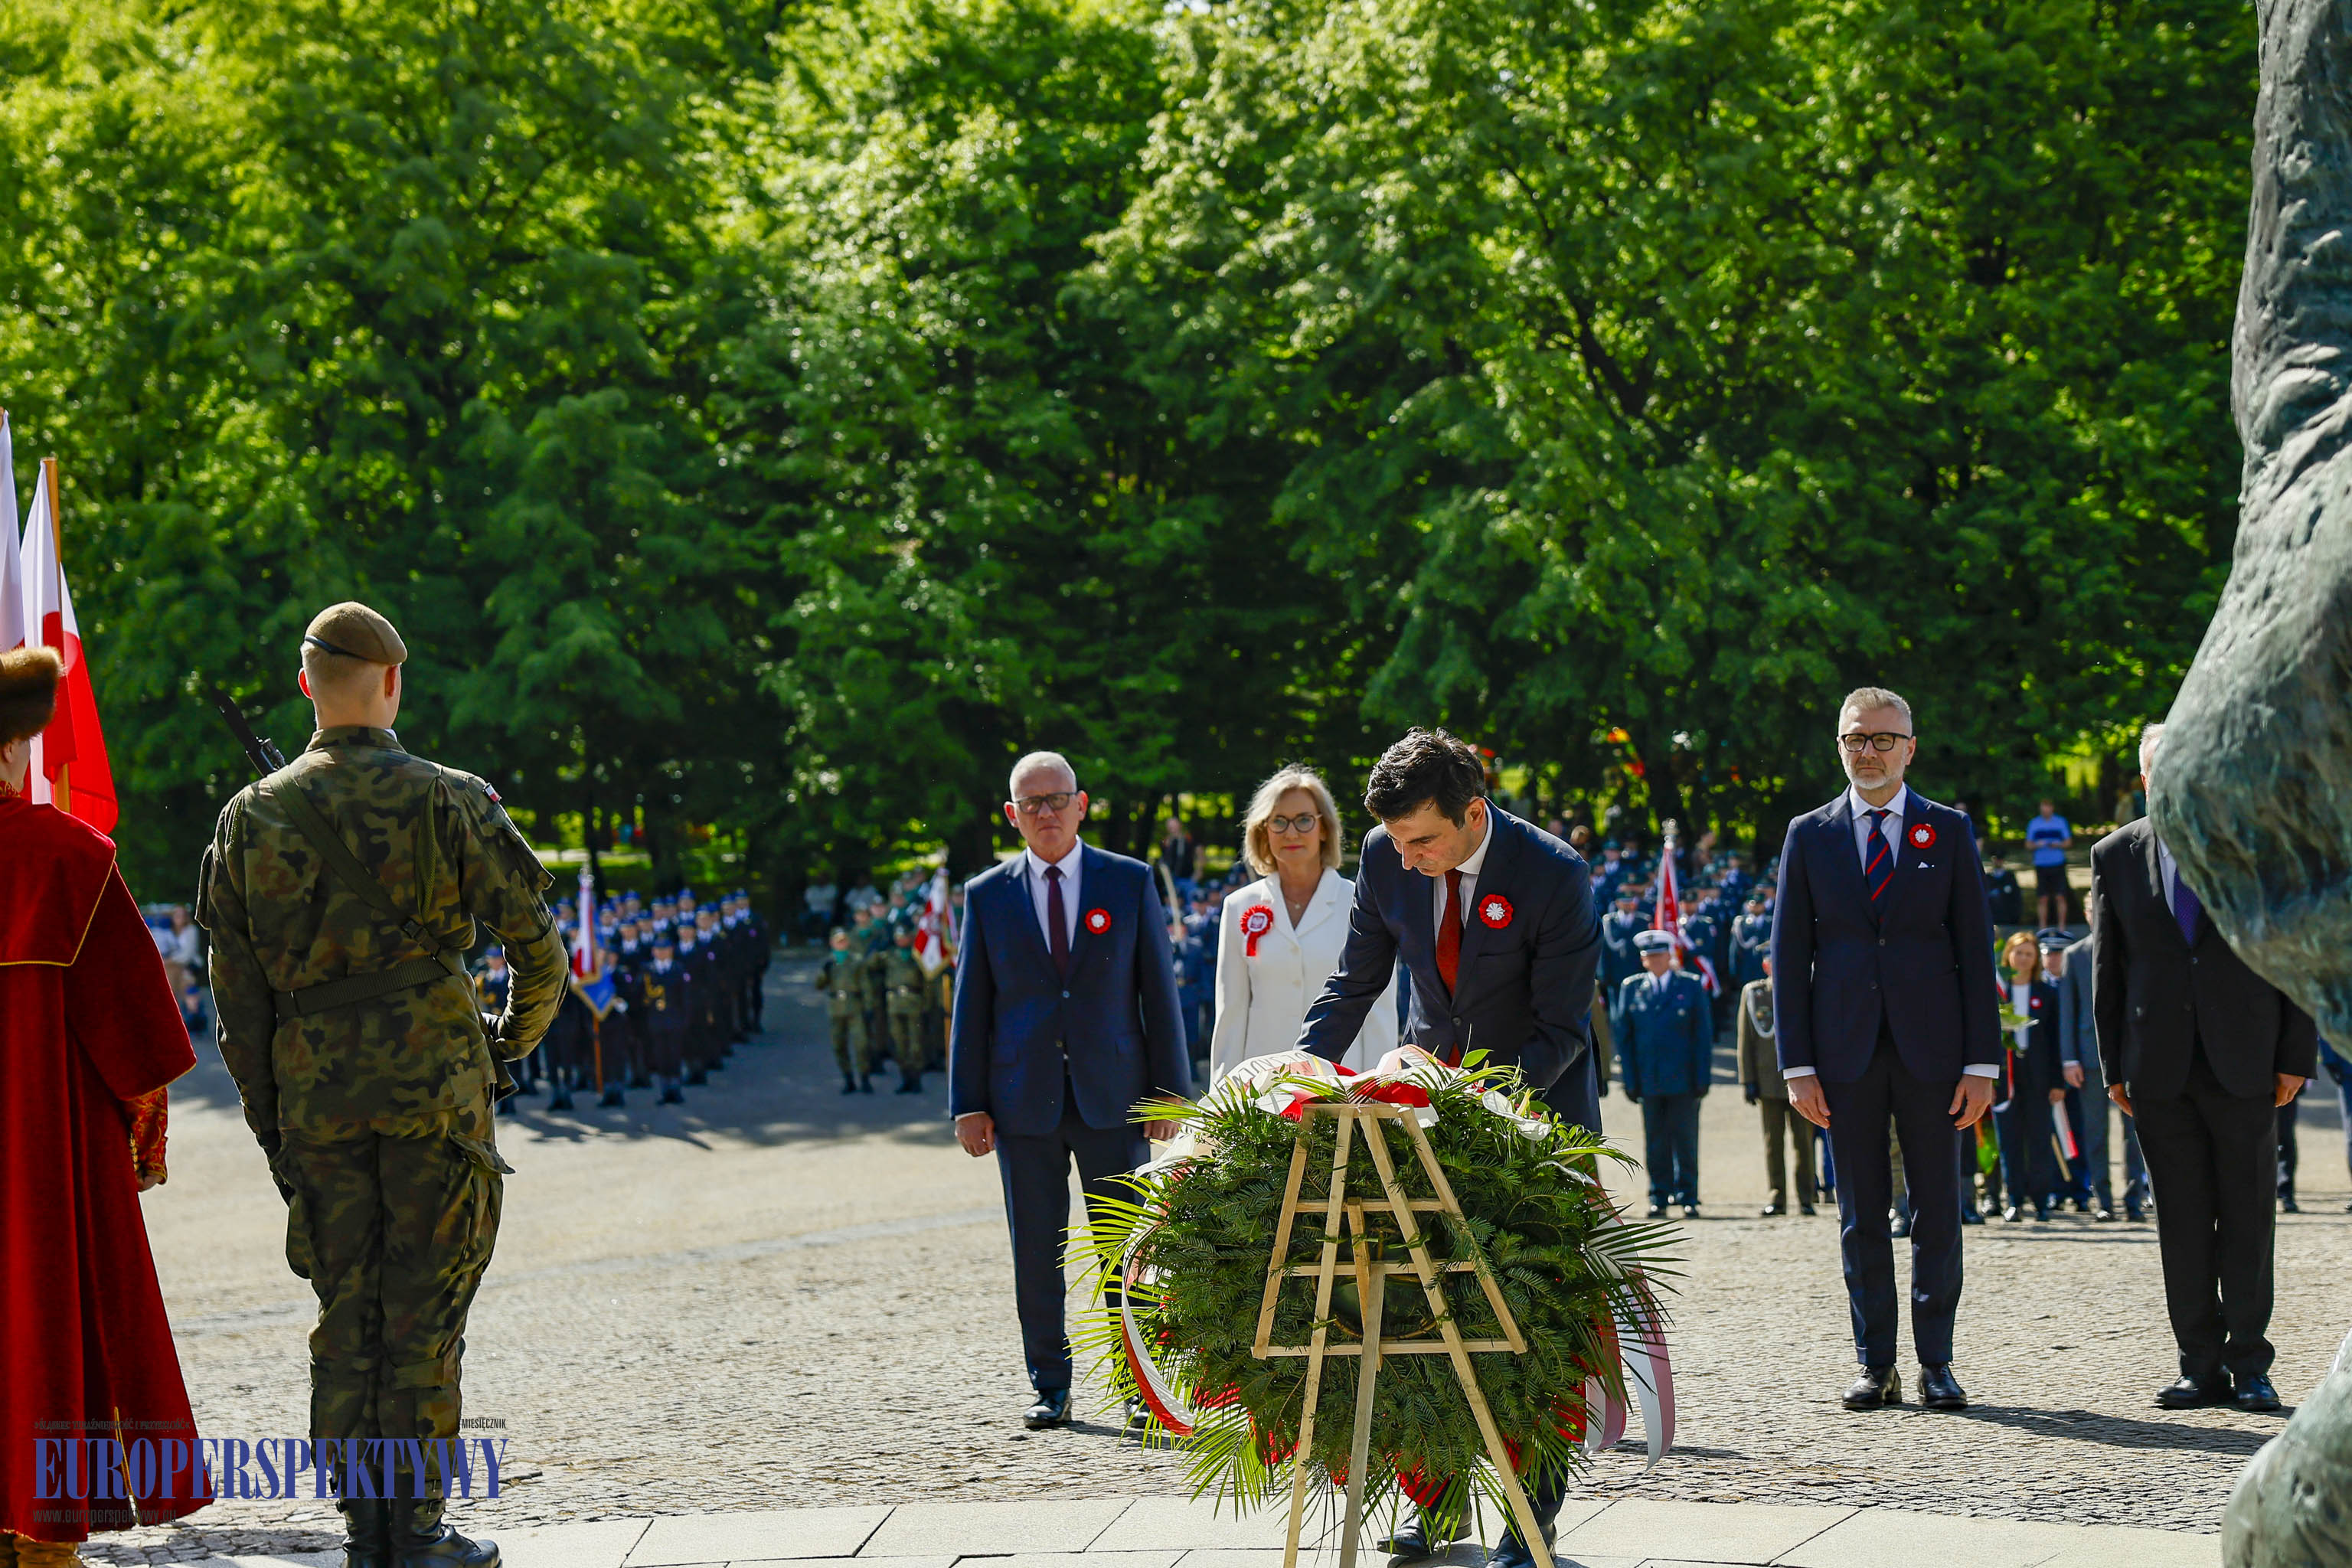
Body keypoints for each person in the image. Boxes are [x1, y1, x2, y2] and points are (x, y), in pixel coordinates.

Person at [196, 603, 564, 1568]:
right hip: (437, 1095)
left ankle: (366, 1528)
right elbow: (542, 956)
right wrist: (505, 1045)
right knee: (427, 1309)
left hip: (317, 1103)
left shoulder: (250, 816)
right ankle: (422, 1527)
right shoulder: (449, 799)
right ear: (393, 684)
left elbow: (236, 1008)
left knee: (346, 1310)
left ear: (306, 681)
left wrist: (275, 1129)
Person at [1292, 729, 1599, 1568]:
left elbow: (1561, 1029)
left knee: (1530, 1328)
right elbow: (1355, 981)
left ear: (1474, 813)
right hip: (1417, 1120)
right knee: (1416, 1316)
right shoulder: (1387, 860)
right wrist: (1301, 1064)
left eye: (1424, 839)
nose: (1409, 856)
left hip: (1536, 1122)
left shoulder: (1554, 873)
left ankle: (1529, 1519)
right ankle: (1433, 1499)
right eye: (1395, 841)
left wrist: (1474, 1101)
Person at [1, 647, 212, 1565]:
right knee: (44, 1315)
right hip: (40, 1164)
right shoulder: (65, 857)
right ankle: (43, 1537)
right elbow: (142, 1045)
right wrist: (137, 1137)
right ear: (19, 739)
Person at [1771, 686, 1999, 1415]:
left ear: (1910, 748)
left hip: (1935, 1056)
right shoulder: (1809, 834)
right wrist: (1798, 1066)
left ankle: (1937, 1362)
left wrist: (1982, 1065)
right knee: (1860, 1214)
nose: (1867, 752)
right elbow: (1791, 952)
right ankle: (1876, 1364)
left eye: (1882, 740)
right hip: (1843, 1059)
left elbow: (1975, 951)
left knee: (1939, 1210)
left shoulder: (1949, 831)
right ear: (1839, 746)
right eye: (1855, 740)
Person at [949, 751, 1190, 1431]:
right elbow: (973, 1004)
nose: (1047, 814)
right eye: (1033, 805)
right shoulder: (987, 894)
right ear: (1012, 816)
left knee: (1127, 1251)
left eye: (1058, 800)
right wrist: (968, 1102)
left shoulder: (1127, 879)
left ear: (1082, 804)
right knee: (1036, 1248)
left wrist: (1169, 1093)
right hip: (1021, 1103)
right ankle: (1049, 1384)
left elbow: (1158, 993)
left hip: (1113, 1097)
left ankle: (1140, 1386)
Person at [2091, 722, 2315, 1414]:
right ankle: (2199, 1366)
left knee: (2248, 1218)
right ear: (2148, 778)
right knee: (2180, 1222)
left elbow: (2293, 955)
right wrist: (2112, 1068)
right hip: (2155, 1068)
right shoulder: (2116, 854)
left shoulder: (2263, 847)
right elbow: (2110, 969)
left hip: (2247, 1061)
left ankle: (2251, 1364)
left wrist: (2294, 1054)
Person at [1207, 765, 1397, 1081]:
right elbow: (1231, 1014)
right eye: (1278, 821)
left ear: (1324, 828)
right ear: (1262, 830)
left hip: (1341, 1089)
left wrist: (1376, 1091)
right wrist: (1223, 1098)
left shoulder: (1363, 902)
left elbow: (1379, 1013)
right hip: (1261, 1093)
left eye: (1304, 820)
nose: (1291, 833)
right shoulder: (1238, 906)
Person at [1615, 929, 1711, 1219]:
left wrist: (1702, 1078)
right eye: (1649, 956)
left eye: (1660, 955)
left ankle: (1689, 1196)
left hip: (1684, 1079)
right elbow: (1625, 1039)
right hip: (1650, 1079)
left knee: (1685, 1140)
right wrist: (1629, 1080)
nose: (1655, 961)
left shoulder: (1691, 986)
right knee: (1655, 1141)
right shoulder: (1631, 988)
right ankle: (1659, 1194)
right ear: (1643, 960)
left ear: (1671, 957)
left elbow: (1702, 1038)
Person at [2050, 929, 2139, 1220]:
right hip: (2090, 1059)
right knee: (2095, 1133)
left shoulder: (2135, 943)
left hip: (2131, 1056)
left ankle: (2134, 1199)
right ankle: (2102, 1200)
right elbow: (2068, 1008)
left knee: (2135, 1134)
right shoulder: (2076, 954)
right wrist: (2069, 1058)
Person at [1991, 931, 2063, 1222]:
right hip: (2004, 1075)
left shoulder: (2046, 993)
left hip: (2038, 1076)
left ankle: (2041, 1200)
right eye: (2018, 952)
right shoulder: (1996, 991)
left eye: (2029, 954)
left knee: (2039, 1139)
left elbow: (2056, 1039)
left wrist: (2057, 1082)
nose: (2023, 958)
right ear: (2008, 954)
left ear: (2036, 960)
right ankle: (2014, 1200)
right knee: (2009, 1140)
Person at [1739, 956, 1814, 1217]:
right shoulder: (1754, 993)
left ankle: (1806, 1197)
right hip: (1768, 1081)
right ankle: (1777, 1196)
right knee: (1773, 1143)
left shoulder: (1805, 988)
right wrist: (1748, 1080)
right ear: (1765, 966)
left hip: (1803, 1082)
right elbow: (1745, 1040)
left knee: (1804, 1142)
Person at [639, 931, 692, 1104]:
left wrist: (684, 1019)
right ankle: (664, 1090)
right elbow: (642, 995)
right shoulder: (648, 969)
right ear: (653, 951)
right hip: (656, 1020)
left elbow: (684, 997)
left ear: (671, 951)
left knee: (675, 1055)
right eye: (658, 950)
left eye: (665, 950)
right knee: (660, 1056)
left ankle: (676, 1089)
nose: (661, 953)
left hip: (674, 1019)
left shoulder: (678, 969)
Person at [882, 925, 930, 1093]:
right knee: (899, 1043)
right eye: (898, 937)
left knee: (915, 1043)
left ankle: (916, 1079)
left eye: (904, 936)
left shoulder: (916, 955)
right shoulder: (888, 956)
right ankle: (905, 1078)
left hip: (914, 1003)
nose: (901, 940)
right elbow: (868, 964)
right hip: (895, 1004)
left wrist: (926, 1004)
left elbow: (926, 981)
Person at [2025, 799, 2074, 929]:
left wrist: (2058, 844)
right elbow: (2028, 844)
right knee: (2043, 898)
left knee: (2060, 896)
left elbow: (2068, 842)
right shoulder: (2034, 823)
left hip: (2057, 864)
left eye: (2047, 807)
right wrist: (2037, 845)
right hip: (2041, 865)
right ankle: (2043, 928)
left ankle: (2062, 927)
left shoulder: (2060, 822)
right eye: (2043, 807)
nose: (2045, 810)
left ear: (2052, 808)